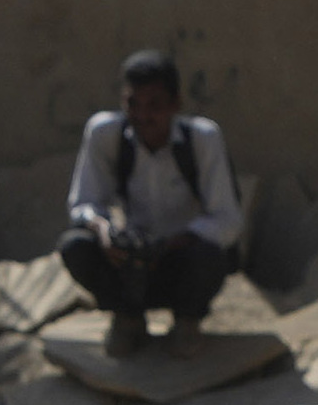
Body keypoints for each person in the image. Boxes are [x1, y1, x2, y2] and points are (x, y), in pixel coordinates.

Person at [65, 49, 243, 350]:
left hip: (182, 263)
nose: (143, 116)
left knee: (211, 256)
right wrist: (105, 230)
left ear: (176, 105)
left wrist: (173, 243)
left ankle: (187, 323)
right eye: (133, 104)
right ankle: (128, 319)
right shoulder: (105, 133)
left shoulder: (202, 139)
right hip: (130, 265)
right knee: (76, 246)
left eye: (154, 106)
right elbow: (83, 203)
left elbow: (228, 220)